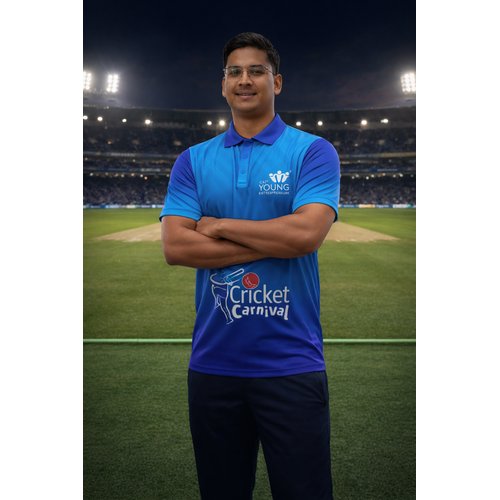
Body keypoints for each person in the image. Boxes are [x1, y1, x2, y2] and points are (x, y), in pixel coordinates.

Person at [160, 32, 340, 500]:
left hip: (292, 363)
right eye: (235, 72)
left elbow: (306, 235)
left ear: (276, 82)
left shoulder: (312, 151)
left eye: (257, 71)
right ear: (222, 85)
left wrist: (219, 225)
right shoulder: (192, 161)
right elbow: (176, 247)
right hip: (213, 365)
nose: (245, 80)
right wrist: (277, 241)